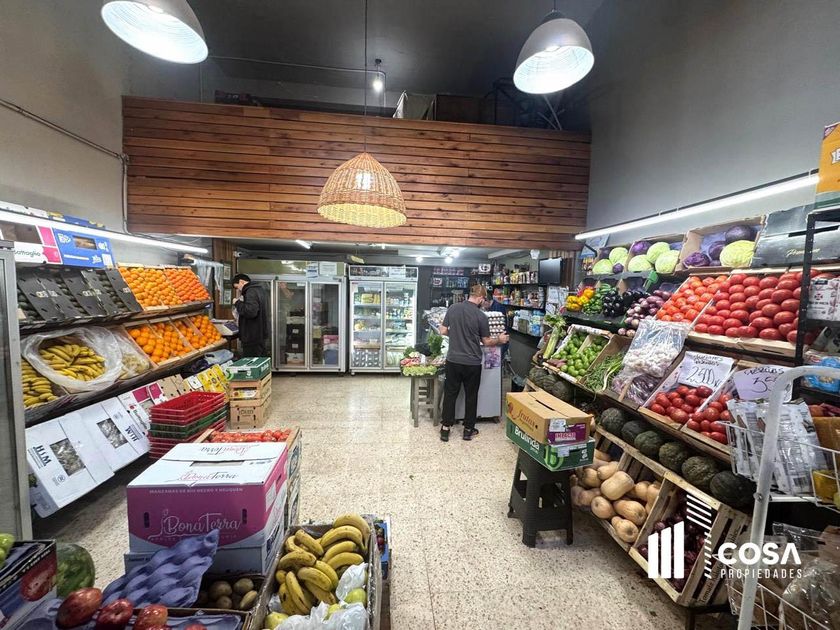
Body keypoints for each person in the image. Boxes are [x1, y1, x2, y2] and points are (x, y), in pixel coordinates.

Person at [438, 284, 509, 442]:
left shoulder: (453, 308)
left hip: (453, 360)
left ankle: (445, 429)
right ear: (481, 298)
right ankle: (468, 430)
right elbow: (487, 341)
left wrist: (455, 334)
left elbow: (442, 330)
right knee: (471, 396)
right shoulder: (481, 316)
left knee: (450, 394)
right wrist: (500, 339)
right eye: (484, 300)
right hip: (472, 363)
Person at [232, 273, 269, 357]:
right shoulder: (260, 290)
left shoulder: (250, 291)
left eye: (237, 287)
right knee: (260, 360)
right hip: (260, 334)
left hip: (252, 335)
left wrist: (237, 303)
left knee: (251, 361)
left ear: (241, 282)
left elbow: (251, 312)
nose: (238, 290)